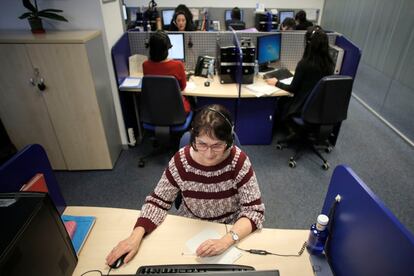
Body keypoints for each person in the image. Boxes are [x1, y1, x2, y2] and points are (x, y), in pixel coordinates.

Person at [106, 104, 265, 267]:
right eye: (202, 144)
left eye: (217, 145)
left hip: (229, 227)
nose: (209, 154)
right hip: (188, 226)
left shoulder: (238, 161)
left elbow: (254, 210)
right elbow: (157, 202)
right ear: (193, 138)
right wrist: (135, 237)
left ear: (229, 141)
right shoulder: (181, 161)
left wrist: (226, 240)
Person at [265, 26, 334, 121]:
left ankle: (279, 126)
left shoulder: (304, 64)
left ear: (309, 44)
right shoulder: (330, 64)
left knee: (280, 101)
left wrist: (276, 83)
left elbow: (292, 89)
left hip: (301, 108)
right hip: (318, 110)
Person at [142, 30, 191, 113]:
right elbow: (182, 87)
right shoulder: (177, 65)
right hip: (177, 111)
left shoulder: (145, 65)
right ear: (166, 49)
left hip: (155, 111)